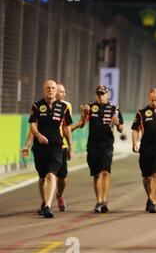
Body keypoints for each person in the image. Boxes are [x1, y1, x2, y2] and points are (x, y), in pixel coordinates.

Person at [22, 83, 83, 213]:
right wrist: (34, 139)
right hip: (40, 148)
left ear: (56, 91)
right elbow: (32, 126)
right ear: (44, 90)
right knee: (42, 177)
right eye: (48, 88)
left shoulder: (64, 107)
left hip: (57, 146)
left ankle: (48, 207)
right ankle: (44, 201)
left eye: (53, 88)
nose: (50, 90)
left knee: (52, 175)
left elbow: (66, 128)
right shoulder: (37, 105)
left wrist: (71, 146)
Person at [79, 85, 124, 212]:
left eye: (102, 93)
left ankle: (104, 200)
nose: (100, 95)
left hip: (107, 146)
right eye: (98, 93)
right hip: (93, 146)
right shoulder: (90, 108)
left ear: (107, 95)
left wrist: (117, 123)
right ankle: (98, 200)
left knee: (105, 172)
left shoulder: (114, 109)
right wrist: (84, 114)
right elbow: (82, 125)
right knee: (96, 174)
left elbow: (121, 129)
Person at [131, 88, 156, 213]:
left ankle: (153, 201)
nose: (154, 102)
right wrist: (135, 143)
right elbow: (135, 130)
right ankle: (149, 196)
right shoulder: (141, 113)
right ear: (149, 99)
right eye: (152, 100)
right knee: (146, 177)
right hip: (145, 149)